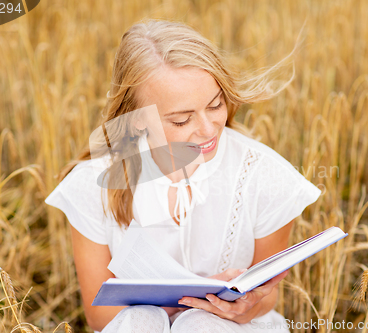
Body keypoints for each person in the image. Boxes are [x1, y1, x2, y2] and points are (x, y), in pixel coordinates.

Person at [44, 19, 321, 333]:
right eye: (181, 119)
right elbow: (100, 316)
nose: (207, 128)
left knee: (201, 325)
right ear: (137, 121)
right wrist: (187, 298)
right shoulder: (92, 184)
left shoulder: (266, 177)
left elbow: (266, 298)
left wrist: (247, 306)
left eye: (215, 105)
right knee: (140, 321)